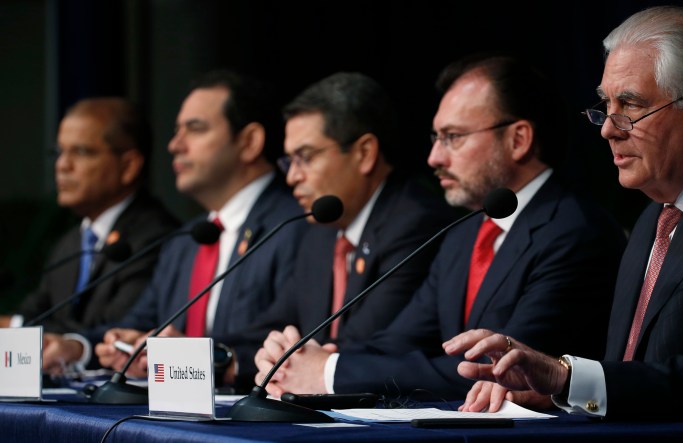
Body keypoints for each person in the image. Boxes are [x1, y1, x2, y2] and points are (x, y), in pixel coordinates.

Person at [444, 6, 683, 426]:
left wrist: (566, 378)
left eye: (629, 106)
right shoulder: (657, 217)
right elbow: (638, 371)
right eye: (606, 105)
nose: (607, 129)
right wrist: (556, 393)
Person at [254, 54, 627, 401]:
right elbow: (400, 341)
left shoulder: (575, 232)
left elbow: (502, 372)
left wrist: (330, 372)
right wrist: (305, 359)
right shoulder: (463, 234)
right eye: (436, 138)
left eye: (453, 137)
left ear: (518, 139)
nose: (434, 157)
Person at [44, 70, 307, 390]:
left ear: (249, 142)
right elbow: (141, 324)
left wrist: (197, 356)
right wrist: (87, 346)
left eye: (194, 130)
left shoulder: (298, 226)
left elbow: (294, 333)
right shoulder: (187, 238)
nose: (174, 145)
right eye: (176, 131)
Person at [219, 71, 457, 390]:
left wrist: (289, 363)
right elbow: (274, 325)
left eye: (305, 158)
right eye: (289, 161)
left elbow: (367, 343)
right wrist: (211, 357)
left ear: (364, 153)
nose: (292, 178)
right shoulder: (321, 230)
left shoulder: (416, 222)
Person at [0, 98, 179, 347]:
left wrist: (19, 327)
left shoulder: (157, 237)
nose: (62, 165)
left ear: (128, 165)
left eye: (81, 152)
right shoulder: (72, 242)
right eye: (59, 152)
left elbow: (116, 329)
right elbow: (34, 312)